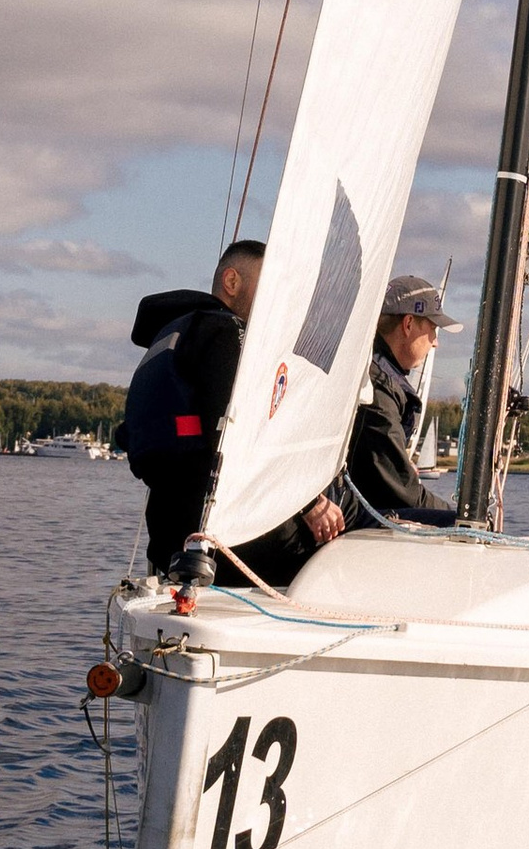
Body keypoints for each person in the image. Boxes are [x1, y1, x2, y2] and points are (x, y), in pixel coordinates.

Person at [124, 237, 349, 589]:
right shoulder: (227, 332)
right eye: (271, 284)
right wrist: (310, 504)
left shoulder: (174, 334)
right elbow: (240, 431)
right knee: (346, 533)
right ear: (232, 282)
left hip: (171, 531)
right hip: (221, 530)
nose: (279, 299)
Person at [345, 276, 461, 525]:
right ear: (408, 324)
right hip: (350, 515)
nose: (435, 342)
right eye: (433, 329)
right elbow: (403, 492)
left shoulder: (373, 372)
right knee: (459, 526)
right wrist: (461, 516)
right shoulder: (376, 389)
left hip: (354, 506)